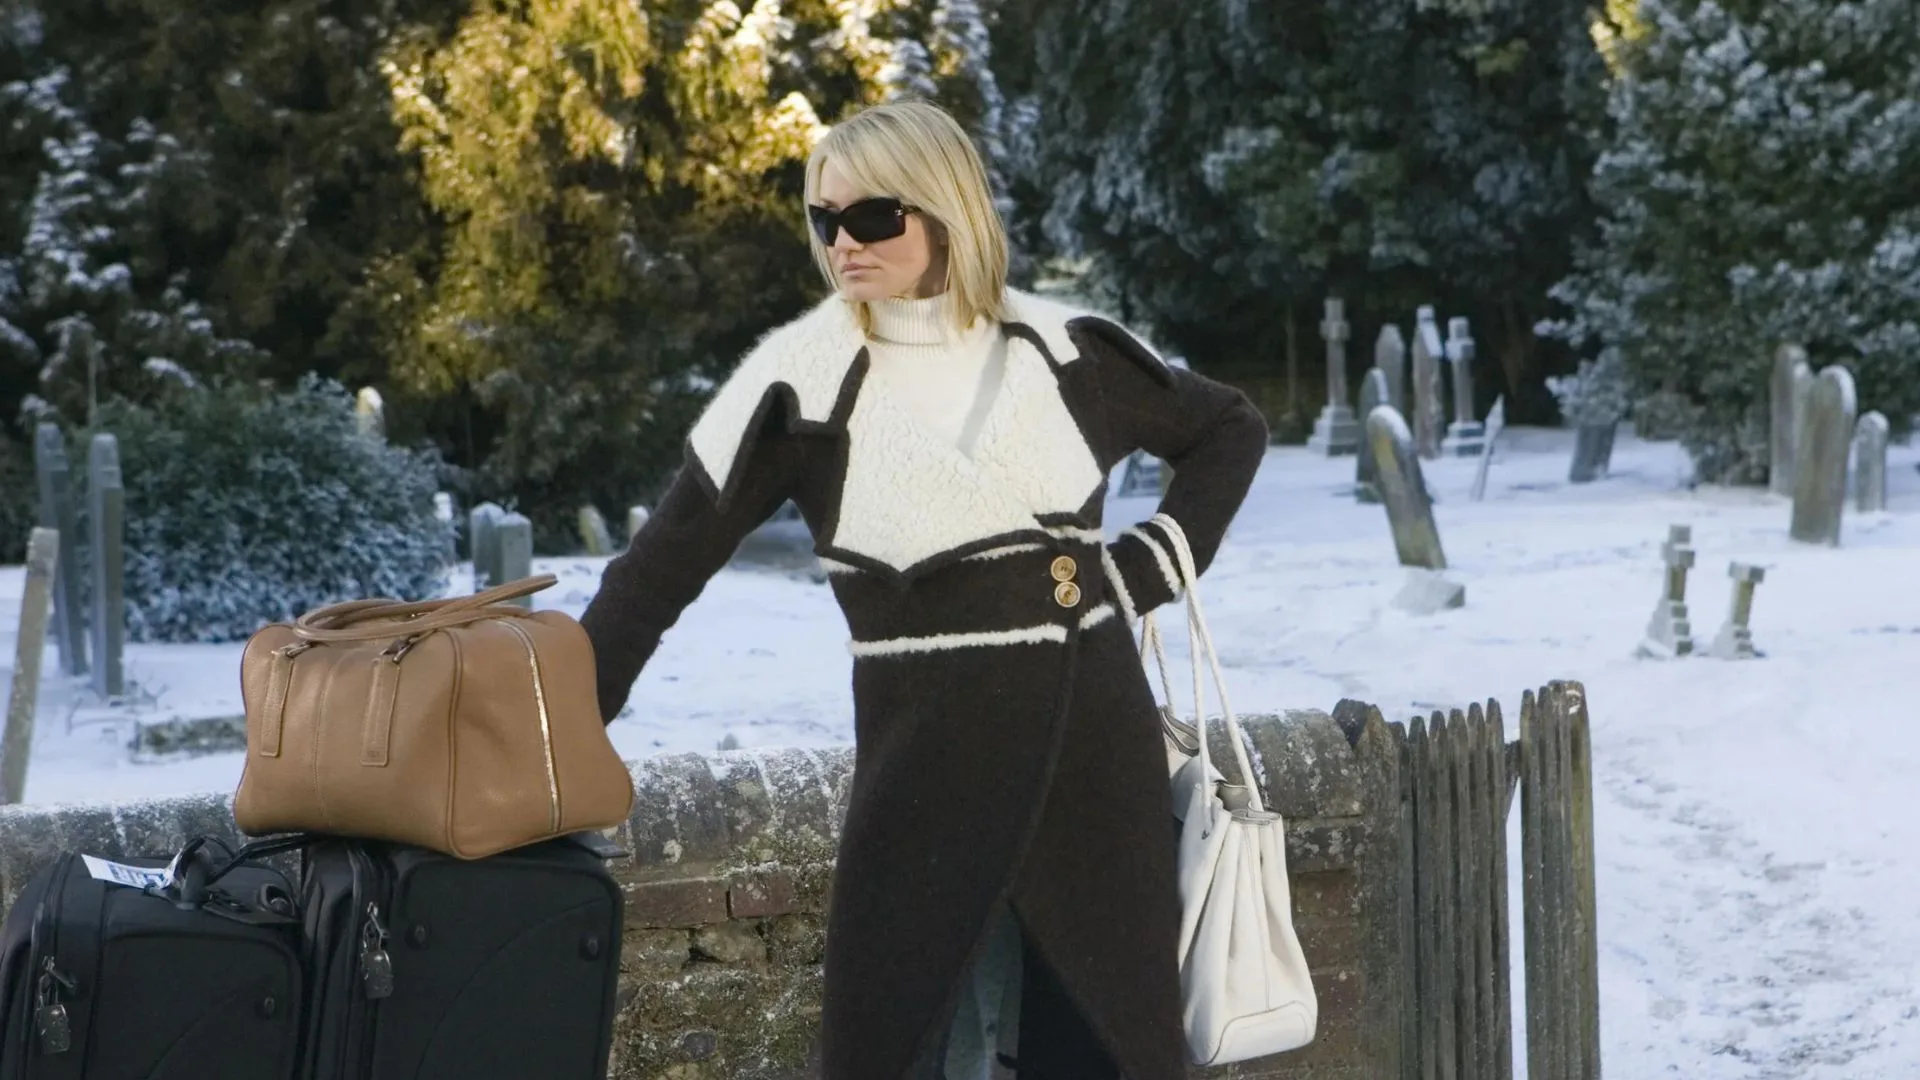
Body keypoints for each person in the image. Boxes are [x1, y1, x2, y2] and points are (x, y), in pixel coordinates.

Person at [577, 99, 1268, 1080]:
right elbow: (659, 566)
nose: (843, 244)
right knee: (894, 1046)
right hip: (923, 783)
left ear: (945, 211)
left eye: (872, 218)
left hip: (1095, 768)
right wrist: (559, 721)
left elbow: (1229, 429)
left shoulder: (1065, 350)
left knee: (1106, 1050)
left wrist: (1149, 565)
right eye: (824, 220)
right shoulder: (798, 385)